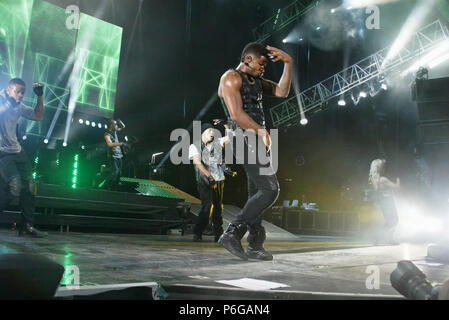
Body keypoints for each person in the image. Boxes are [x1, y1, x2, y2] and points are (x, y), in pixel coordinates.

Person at [217, 42, 292, 260]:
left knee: (257, 194)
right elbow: (236, 115)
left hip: (256, 139)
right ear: (248, 59)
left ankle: (255, 245)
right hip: (242, 138)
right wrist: (262, 131)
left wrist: (289, 62)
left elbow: (282, 91)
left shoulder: (256, 81)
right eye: (261, 63)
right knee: (270, 190)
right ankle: (232, 232)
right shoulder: (230, 77)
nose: (263, 68)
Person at [0, 78, 46, 237]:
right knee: (14, 187)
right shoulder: (2, 100)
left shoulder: (19, 106)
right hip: (2, 152)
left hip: (17, 151)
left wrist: (40, 97)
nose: (20, 95)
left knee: (29, 186)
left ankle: (27, 226)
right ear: (8, 90)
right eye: (17, 91)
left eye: (22, 93)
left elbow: (37, 116)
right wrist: (8, 105)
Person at [189, 121, 231, 242]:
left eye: (213, 131)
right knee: (207, 207)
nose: (212, 133)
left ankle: (218, 234)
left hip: (219, 180)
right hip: (205, 181)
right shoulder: (194, 146)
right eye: (209, 131)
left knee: (218, 207)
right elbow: (198, 163)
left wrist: (225, 125)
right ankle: (198, 231)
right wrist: (209, 176)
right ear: (203, 133)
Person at [369, 159, 400, 244]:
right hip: (388, 201)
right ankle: (381, 238)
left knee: (390, 221)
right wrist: (398, 178)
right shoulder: (383, 179)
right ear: (380, 168)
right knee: (394, 220)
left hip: (383, 201)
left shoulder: (375, 180)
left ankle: (383, 238)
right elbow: (397, 187)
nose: (385, 168)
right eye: (383, 166)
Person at [103, 118, 126, 190]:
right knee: (115, 172)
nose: (116, 126)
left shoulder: (115, 131)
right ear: (111, 125)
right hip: (112, 156)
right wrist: (121, 144)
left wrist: (120, 121)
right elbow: (109, 144)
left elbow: (123, 126)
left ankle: (114, 188)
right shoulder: (107, 134)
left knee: (119, 173)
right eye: (115, 124)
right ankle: (105, 185)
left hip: (119, 155)